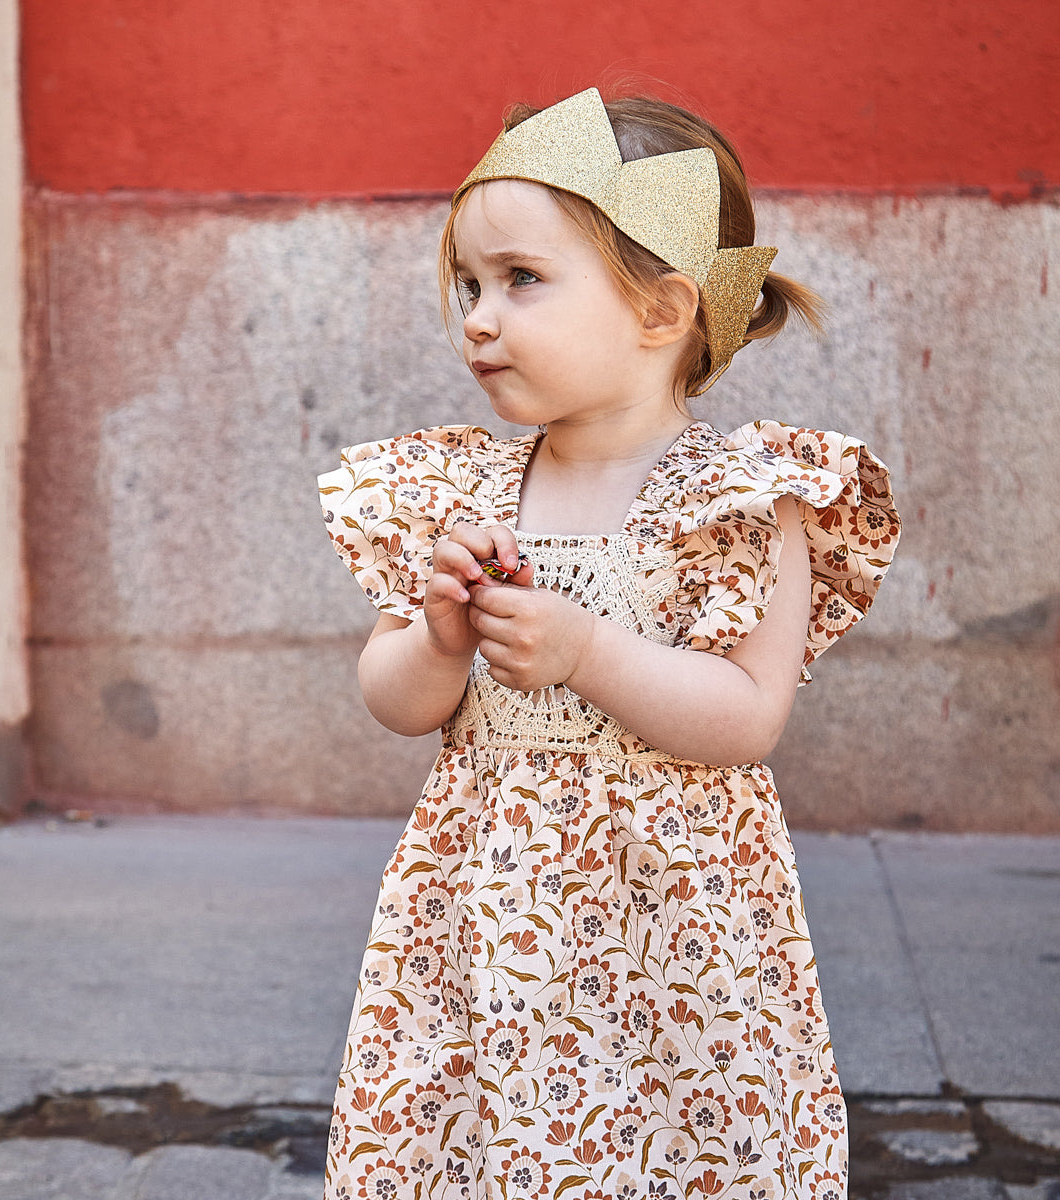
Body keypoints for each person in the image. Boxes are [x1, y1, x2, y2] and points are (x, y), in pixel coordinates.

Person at [317, 87, 899, 1200]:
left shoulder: (740, 500)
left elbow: (745, 715)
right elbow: (392, 699)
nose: (478, 317)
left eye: (522, 280)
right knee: (484, 1148)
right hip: (486, 924)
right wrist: (438, 638)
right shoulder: (462, 490)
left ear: (660, 309)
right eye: (469, 286)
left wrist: (589, 651)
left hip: (675, 933)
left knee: (674, 1151)